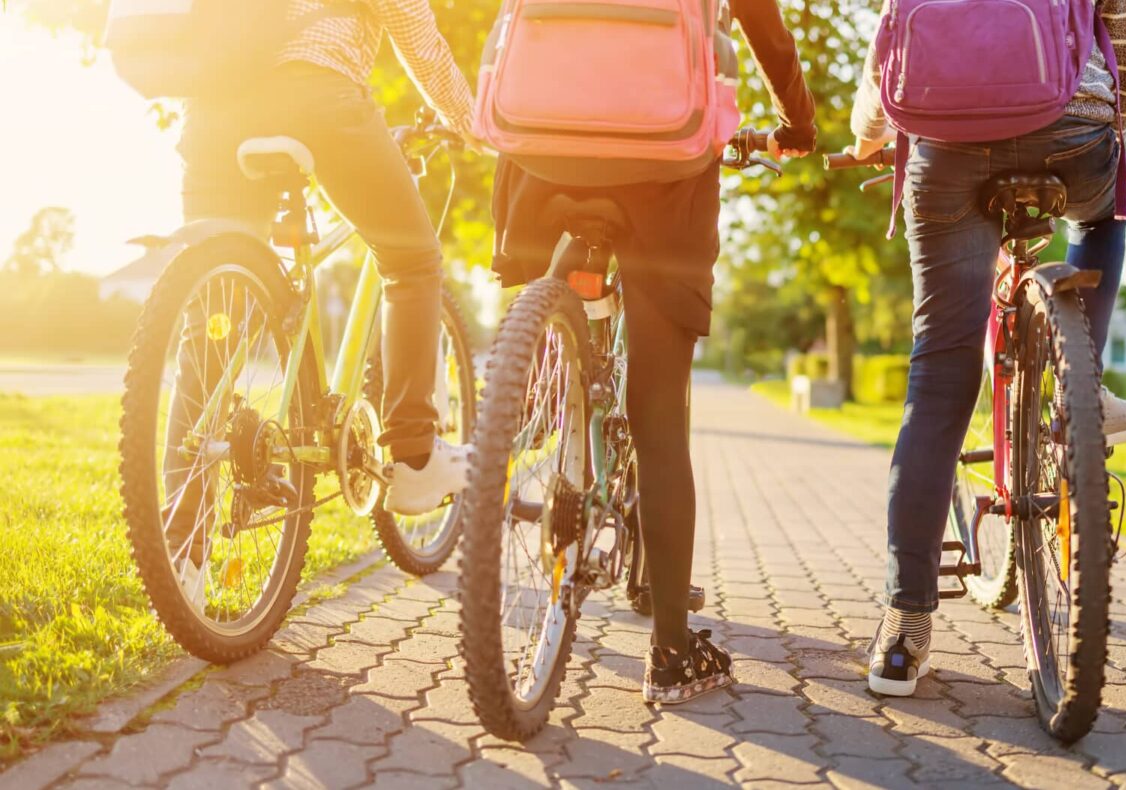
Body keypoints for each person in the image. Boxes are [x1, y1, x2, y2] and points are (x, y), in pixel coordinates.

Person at [487, 0, 817, 704]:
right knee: (660, 417)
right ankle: (671, 654)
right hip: (663, 162)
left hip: (540, 146)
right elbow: (764, 28)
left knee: (533, 343)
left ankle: (547, 386)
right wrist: (798, 124)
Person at [848, 0, 1126, 697]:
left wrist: (867, 134)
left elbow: (891, 45)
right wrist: (1109, 123)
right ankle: (1085, 390)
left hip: (946, 139)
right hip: (1073, 130)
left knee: (940, 376)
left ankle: (905, 626)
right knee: (1108, 209)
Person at [175, 0, 478, 516]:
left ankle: (181, 538)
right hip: (314, 93)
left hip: (213, 113)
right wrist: (480, 127)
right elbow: (419, 41)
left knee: (215, 307)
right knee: (412, 259)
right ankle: (414, 460)